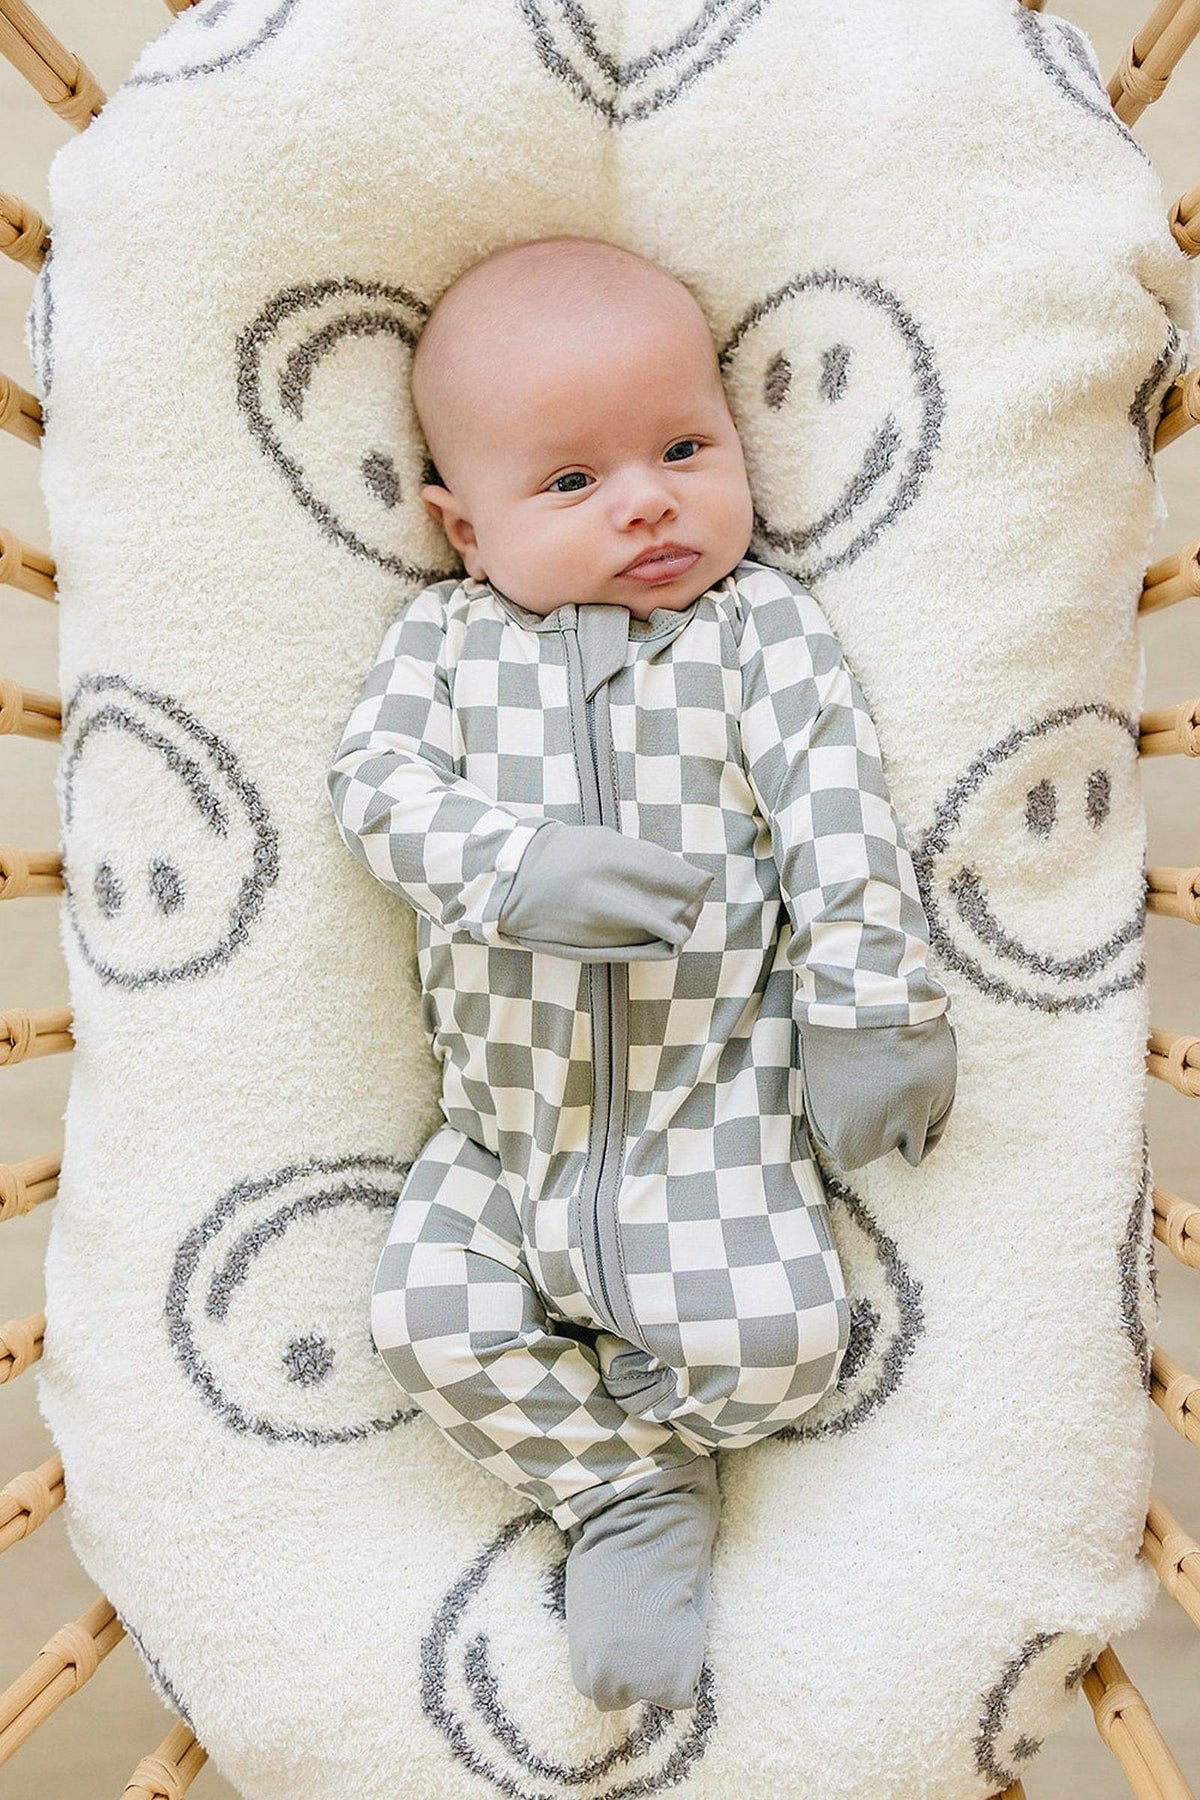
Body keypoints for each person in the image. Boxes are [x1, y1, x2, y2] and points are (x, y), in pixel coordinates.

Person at [326, 235, 956, 1715]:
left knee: (793, 1344)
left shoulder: (760, 634)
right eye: (571, 482)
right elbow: (373, 790)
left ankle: (664, 1430)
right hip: (503, 1135)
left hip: (709, 1120)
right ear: (464, 530)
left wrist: (875, 1013)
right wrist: (518, 868)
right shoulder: (446, 643)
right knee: (422, 1318)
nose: (650, 499)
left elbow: (838, 827)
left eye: (684, 445)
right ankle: (622, 1493)